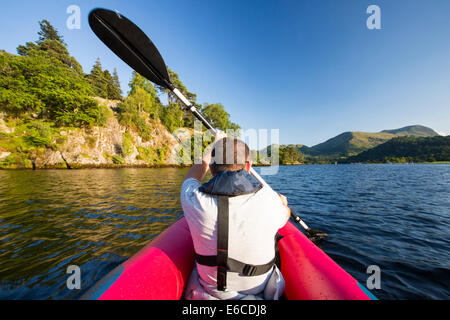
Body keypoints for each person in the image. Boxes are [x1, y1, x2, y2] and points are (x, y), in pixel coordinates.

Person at [180, 131, 291, 300]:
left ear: (211, 167)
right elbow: (286, 215)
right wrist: (284, 204)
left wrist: (215, 145)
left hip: (210, 290)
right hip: (259, 288)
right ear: (248, 166)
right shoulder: (270, 200)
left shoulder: (193, 198)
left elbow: (198, 167)